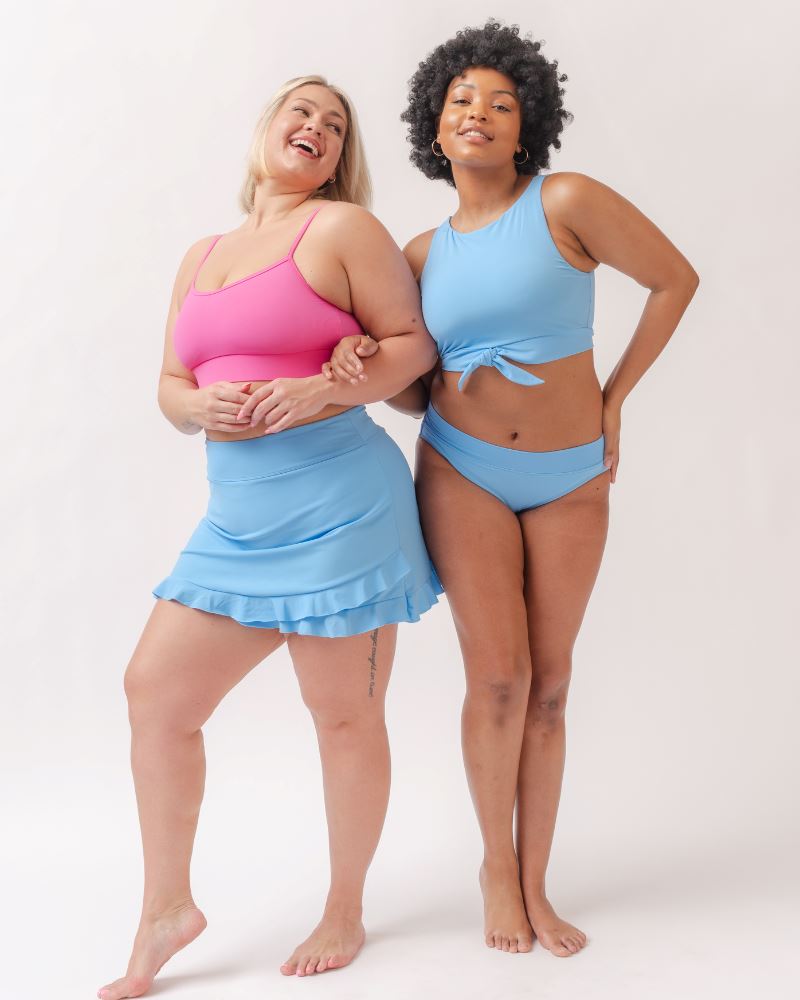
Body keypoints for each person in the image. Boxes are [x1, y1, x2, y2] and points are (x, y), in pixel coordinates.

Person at [324, 21, 699, 958]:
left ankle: (537, 882)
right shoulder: (416, 254)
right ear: (434, 127)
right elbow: (413, 385)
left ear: (527, 120)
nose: (479, 113)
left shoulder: (564, 201)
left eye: (500, 101)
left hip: (572, 475)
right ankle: (496, 869)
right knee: (497, 675)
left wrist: (615, 399)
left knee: (551, 685)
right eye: (460, 102)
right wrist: (362, 359)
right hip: (462, 468)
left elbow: (674, 280)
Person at [98, 75, 441, 999]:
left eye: (335, 126)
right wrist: (197, 404)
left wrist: (327, 389)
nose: (317, 129)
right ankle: (167, 905)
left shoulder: (342, 231)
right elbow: (170, 386)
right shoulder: (202, 254)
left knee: (342, 717)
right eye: (303, 111)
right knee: (155, 697)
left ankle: (344, 906)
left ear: (341, 158)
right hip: (236, 524)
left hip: (341, 512)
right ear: (266, 128)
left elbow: (414, 347)